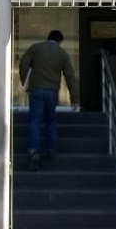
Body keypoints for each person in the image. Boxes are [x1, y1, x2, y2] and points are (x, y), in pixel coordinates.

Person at [19, 29, 80, 171]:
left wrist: (25, 82)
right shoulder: (62, 53)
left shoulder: (36, 48)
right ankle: (51, 148)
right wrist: (74, 99)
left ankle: (34, 151)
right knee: (50, 120)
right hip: (52, 91)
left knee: (35, 120)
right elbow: (70, 77)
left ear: (48, 38)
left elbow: (23, 64)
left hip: (36, 89)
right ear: (59, 41)